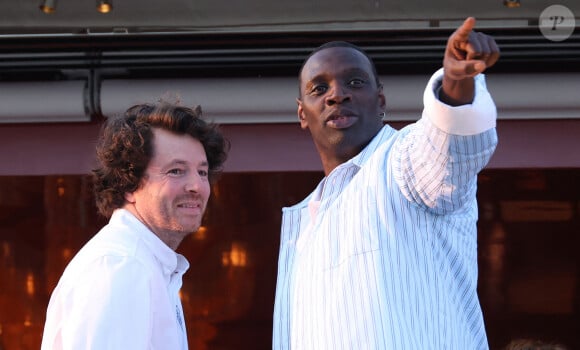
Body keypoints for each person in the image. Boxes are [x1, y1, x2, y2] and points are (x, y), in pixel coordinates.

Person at [273, 17, 500, 349]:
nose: (337, 95)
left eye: (354, 82)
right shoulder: (304, 223)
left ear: (381, 101)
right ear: (302, 114)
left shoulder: (402, 163)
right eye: (319, 88)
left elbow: (449, 146)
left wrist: (456, 82)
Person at [41, 102, 229, 349]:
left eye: (202, 172)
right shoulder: (122, 267)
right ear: (129, 185)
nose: (196, 186)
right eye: (176, 171)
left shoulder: (143, 264)